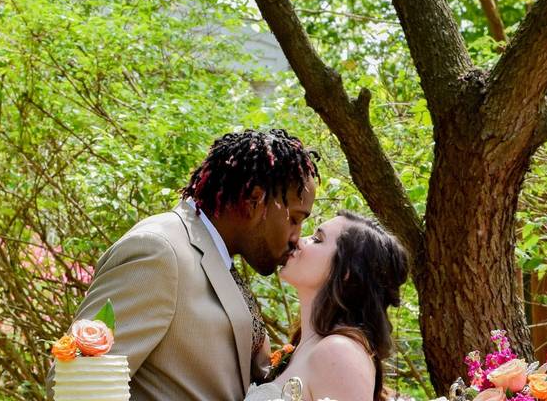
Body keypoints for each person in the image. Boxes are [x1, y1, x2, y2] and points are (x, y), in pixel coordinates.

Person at [48, 129, 320, 401]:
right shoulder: (160, 250)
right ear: (253, 201)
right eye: (295, 219)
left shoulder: (216, 255)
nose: (297, 237)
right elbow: (76, 386)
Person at [245, 211, 410, 401]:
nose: (299, 241)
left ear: (346, 272)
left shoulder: (339, 352)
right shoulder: (302, 348)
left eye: (317, 239)